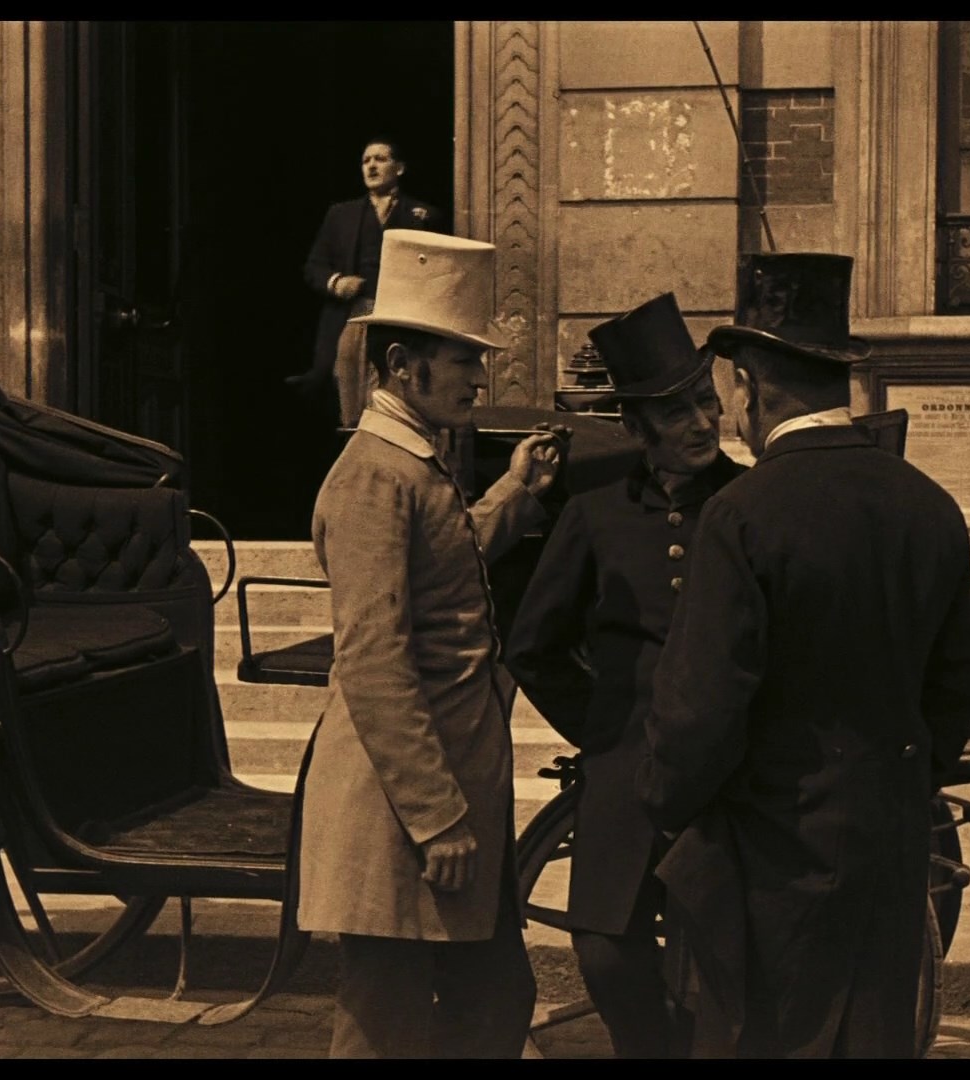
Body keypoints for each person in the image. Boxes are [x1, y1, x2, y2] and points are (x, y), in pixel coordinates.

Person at [638, 253, 970, 1058]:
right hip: (892, 845)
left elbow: (698, 712)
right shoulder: (930, 507)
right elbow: (951, 693)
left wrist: (665, 805)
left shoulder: (741, 516)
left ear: (750, 388)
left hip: (770, 860)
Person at [297, 228, 563, 1059]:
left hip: (441, 794)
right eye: (464, 364)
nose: (480, 381)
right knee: (385, 1020)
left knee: (494, 996)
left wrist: (517, 489)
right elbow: (373, 664)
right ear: (405, 367)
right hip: (401, 807)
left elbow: (448, 564)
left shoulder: (411, 465)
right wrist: (437, 818)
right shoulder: (375, 477)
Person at [504, 292, 747, 1058]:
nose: (704, 424)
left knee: (732, 957)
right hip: (625, 769)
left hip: (729, 773)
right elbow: (534, 645)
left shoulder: (748, 503)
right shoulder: (596, 514)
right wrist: (604, 731)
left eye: (707, 403)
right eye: (678, 416)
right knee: (604, 951)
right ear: (639, 433)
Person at [291, 137, 449, 429]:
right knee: (348, 387)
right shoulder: (341, 215)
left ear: (399, 168)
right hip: (355, 315)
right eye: (366, 161)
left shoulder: (423, 216)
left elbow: (441, 272)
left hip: (403, 318)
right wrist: (336, 283)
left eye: (380, 159)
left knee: (403, 387)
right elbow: (314, 266)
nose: (372, 166)